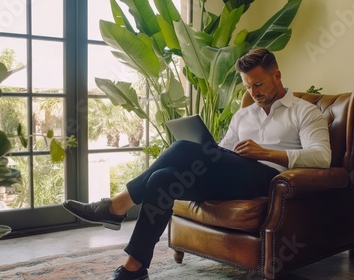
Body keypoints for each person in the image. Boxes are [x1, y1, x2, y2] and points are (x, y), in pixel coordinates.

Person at [63, 48, 331, 280]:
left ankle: (116, 206)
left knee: (181, 148)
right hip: (232, 176)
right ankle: (134, 268)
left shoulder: (305, 112)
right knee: (163, 179)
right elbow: (225, 149)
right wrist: (211, 151)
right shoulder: (243, 114)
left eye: (258, 84)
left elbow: (322, 157)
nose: (253, 92)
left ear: (277, 75)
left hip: (269, 181)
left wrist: (267, 153)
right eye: (248, 86)